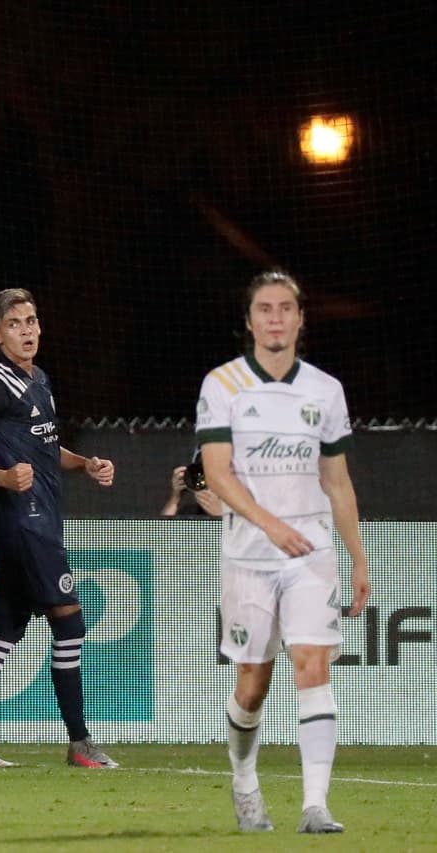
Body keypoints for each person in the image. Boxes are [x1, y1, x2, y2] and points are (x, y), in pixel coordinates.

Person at [196, 270, 369, 834]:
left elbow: (338, 482)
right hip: (250, 554)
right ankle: (244, 780)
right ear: (249, 322)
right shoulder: (221, 385)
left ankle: (315, 806)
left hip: (311, 552)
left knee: (312, 664)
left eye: (286, 308)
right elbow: (217, 475)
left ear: (300, 319)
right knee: (253, 682)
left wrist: (358, 557)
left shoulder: (325, 390)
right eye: (265, 309)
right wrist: (270, 526)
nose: (275, 318)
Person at [0, 288, 119, 770]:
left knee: (8, 625)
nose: (27, 331)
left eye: (31, 321)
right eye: (15, 324)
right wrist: (0, 477)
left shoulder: (39, 379)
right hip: (25, 522)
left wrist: (85, 463)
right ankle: (80, 741)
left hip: (37, 519)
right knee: (68, 620)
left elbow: (46, 449)